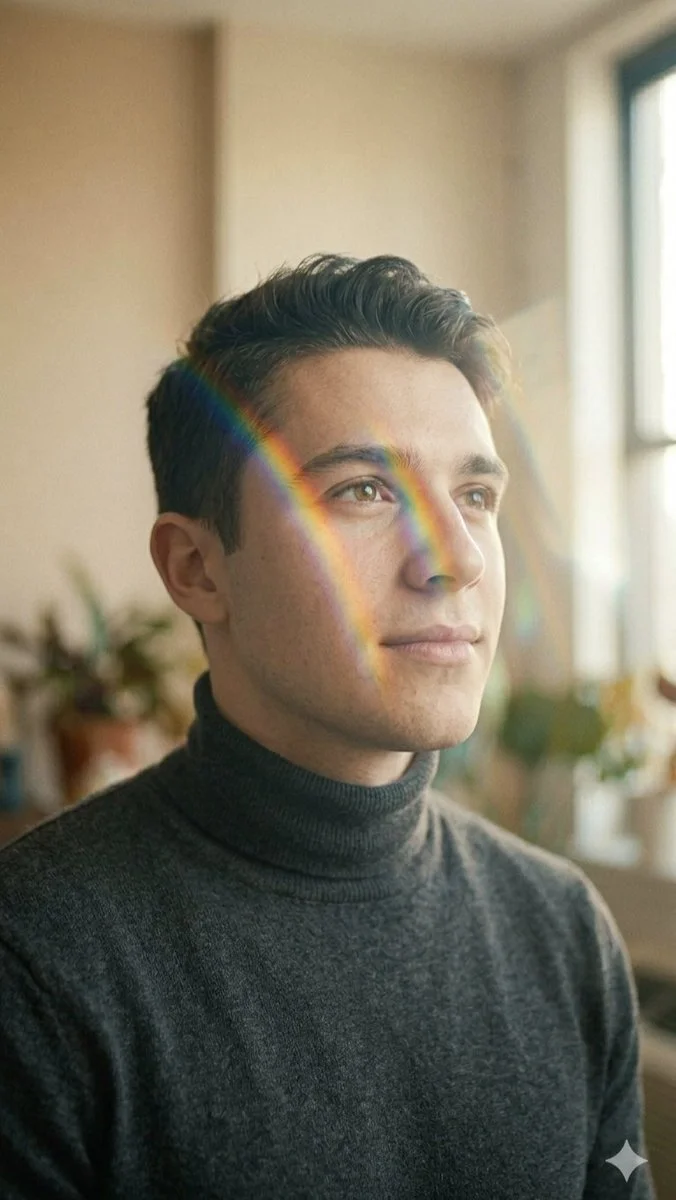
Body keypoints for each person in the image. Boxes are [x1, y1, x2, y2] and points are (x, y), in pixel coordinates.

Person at [0, 254, 654, 1199]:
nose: (458, 559)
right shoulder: (37, 962)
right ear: (196, 569)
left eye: (476, 496)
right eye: (364, 490)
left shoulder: (561, 930)